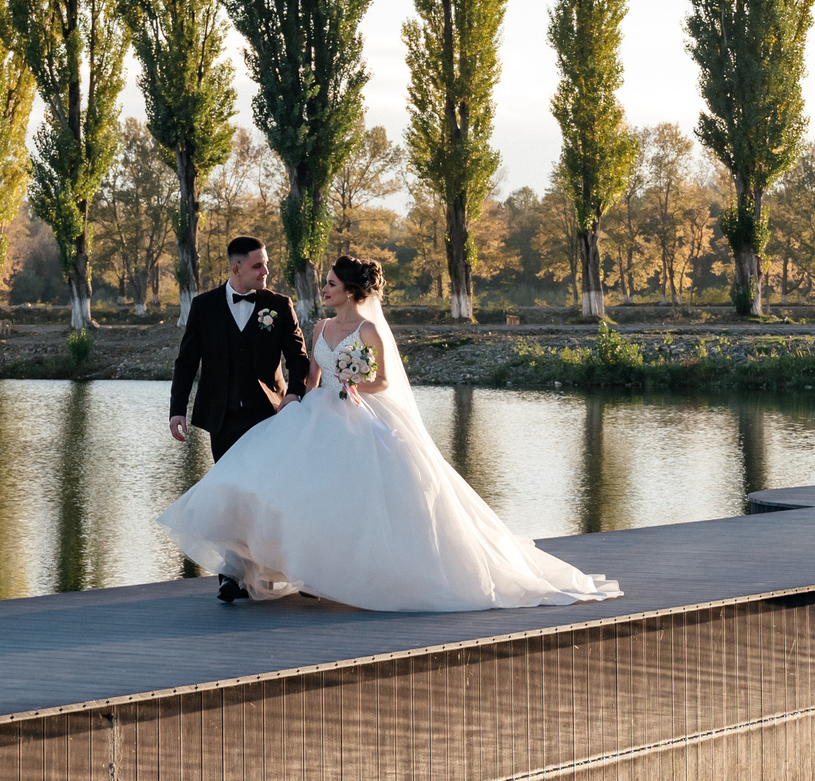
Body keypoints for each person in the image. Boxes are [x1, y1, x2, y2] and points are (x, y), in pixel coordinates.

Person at [158, 255, 621, 612]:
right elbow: (310, 377)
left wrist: (354, 383)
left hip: (358, 413)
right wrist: (295, 401)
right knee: (276, 481)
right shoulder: (321, 325)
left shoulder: (370, 330)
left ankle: (347, 572)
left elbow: (383, 383)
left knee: (358, 497)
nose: (324, 289)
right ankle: (268, 568)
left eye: (331, 284)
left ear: (350, 290)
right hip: (315, 412)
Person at [168, 233, 309, 458]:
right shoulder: (204, 306)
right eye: (258, 266)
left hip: (269, 412)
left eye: (266, 265)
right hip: (221, 418)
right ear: (236, 269)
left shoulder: (280, 306)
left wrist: (294, 394)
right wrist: (177, 410)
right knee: (227, 487)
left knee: (264, 485)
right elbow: (187, 362)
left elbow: (298, 357)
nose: (265, 272)